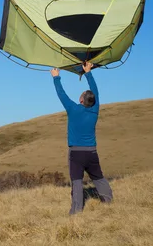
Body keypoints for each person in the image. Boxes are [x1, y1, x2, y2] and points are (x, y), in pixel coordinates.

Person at [50, 61, 113, 215]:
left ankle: (76, 211)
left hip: (76, 153)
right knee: (98, 177)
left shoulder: (73, 109)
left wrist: (56, 77)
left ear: (81, 100)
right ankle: (109, 201)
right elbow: (95, 92)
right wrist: (88, 72)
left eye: (82, 94)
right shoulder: (95, 110)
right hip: (92, 152)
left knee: (77, 182)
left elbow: (62, 95)